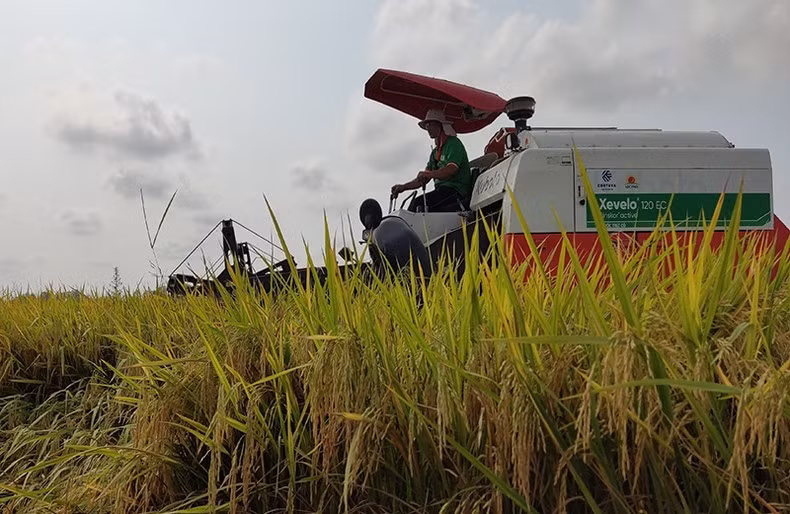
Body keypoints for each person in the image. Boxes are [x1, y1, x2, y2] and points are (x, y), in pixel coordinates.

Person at [391, 109, 473, 212]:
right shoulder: (435, 152)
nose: (428, 128)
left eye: (430, 124)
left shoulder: (454, 143)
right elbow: (423, 179)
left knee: (419, 203)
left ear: (440, 125)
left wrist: (429, 174)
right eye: (426, 125)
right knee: (419, 204)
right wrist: (403, 187)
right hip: (442, 191)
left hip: (456, 191)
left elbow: (451, 169)